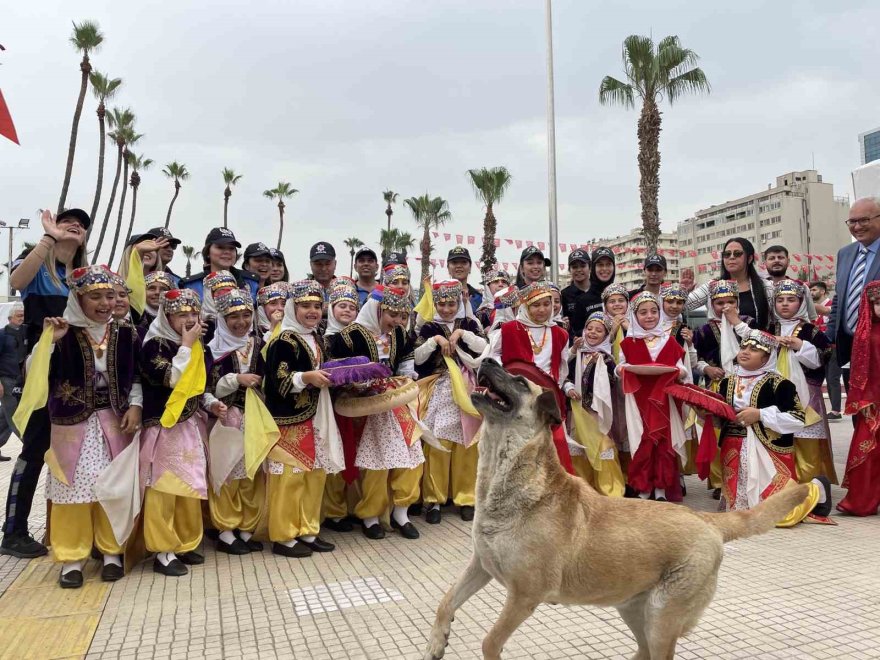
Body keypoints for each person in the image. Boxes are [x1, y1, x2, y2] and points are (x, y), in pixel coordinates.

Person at [41, 266, 142, 588]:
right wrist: (48, 344)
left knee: (114, 486)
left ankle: (112, 552)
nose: (104, 303)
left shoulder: (127, 332)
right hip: (72, 424)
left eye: (110, 296)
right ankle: (71, 557)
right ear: (78, 297)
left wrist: (137, 406)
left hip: (116, 421)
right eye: (95, 296)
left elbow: (137, 376)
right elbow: (34, 376)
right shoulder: (61, 331)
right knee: (72, 489)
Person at [2, 208, 88, 559]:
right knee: (35, 447)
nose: (76, 226)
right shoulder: (41, 267)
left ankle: (72, 527)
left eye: (82, 225)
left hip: (77, 368)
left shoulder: (79, 275)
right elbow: (17, 283)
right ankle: (14, 530)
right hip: (44, 367)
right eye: (70, 220)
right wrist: (50, 236)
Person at [327, 286, 423, 540]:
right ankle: (370, 516)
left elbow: (405, 361)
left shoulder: (400, 334)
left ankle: (401, 512)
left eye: (403, 316)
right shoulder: (349, 337)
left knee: (412, 455)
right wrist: (357, 383)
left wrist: (406, 374)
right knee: (374, 464)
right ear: (378, 310)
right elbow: (336, 372)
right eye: (392, 314)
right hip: (364, 408)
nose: (398, 321)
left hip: (395, 402)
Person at [716, 330, 832, 525]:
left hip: (769, 451)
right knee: (738, 513)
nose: (746, 351)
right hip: (733, 450)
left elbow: (797, 419)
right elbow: (723, 416)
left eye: (754, 349)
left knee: (781, 516)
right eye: (743, 347)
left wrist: (760, 414)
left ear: (767, 357)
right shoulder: (726, 382)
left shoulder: (780, 384)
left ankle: (816, 490)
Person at [139, 288, 217, 576]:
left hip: (191, 425)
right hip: (165, 426)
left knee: (190, 484)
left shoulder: (200, 346)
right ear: (166, 315)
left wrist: (212, 403)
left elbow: (202, 386)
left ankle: (185, 542)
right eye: (180, 314)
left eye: (192, 313)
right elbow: (173, 379)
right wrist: (185, 345)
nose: (188, 318)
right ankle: (163, 549)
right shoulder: (154, 346)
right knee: (164, 487)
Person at [414, 280, 486, 523]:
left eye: (451, 303)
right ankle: (434, 499)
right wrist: (435, 339)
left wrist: (460, 334)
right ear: (435, 303)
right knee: (439, 442)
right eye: (441, 304)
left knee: (468, 443)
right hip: (440, 390)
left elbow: (484, 347)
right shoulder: (428, 326)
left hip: (466, 389)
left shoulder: (468, 323)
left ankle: (466, 498)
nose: (446, 309)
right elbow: (418, 357)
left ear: (459, 302)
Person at [486, 281, 575, 473]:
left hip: (547, 396)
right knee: (517, 445)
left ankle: (554, 489)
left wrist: (556, 388)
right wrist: (507, 382)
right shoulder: (508, 330)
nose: (542, 310)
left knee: (554, 441)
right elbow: (493, 359)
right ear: (525, 306)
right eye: (535, 305)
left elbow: (561, 367)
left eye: (546, 304)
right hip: (516, 396)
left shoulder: (560, 333)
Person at [205, 287, 265, 555]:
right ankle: (226, 530)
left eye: (245, 315)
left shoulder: (260, 345)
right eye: (233, 316)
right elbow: (203, 387)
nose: (241, 322)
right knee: (226, 473)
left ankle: (247, 527)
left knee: (252, 473)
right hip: (226, 419)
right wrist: (234, 381)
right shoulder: (212, 349)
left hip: (255, 419)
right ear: (222, 317)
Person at [616, 292, 689, 502]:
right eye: (643, 312)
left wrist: (678, 372)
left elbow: (682, 369)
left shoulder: (670, 341)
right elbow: (620, 366)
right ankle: (643, 487)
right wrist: (622, 369)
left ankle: (661, 489)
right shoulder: (629, 342)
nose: (649, 316)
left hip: (664, 399)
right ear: (635, 316)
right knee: (643, 440)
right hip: (639, 396)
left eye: (654, 311)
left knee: (664, 443)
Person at [769, 279, 836, 485]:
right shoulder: (769, 328)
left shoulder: (811, 330)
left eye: (791, 299)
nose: (785, 304)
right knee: (777, 441)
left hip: (806, 396)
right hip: (774, 395)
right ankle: (782, 487)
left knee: (808, 443)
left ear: (801, 302)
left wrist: (800, 346)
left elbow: (822, 358)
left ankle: (810, 488)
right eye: (780, 300)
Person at [321, 279, 362, 532]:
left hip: (355, 404)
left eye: (351, 307)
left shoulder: (359, 336)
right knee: (334, 452)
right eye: (341, 306)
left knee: (353, 452)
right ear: (331, 308)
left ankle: (352, 507)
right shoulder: (322, 337)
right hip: (331, 404)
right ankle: (332, 511)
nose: (347, 311)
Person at [569, 311, 625, 496]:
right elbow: (565, 376)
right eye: (589, 328)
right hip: (577, 413)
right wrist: (569, 387)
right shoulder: (577, 355)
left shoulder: (607, 358)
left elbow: (611, 382)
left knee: (603, 448)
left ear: (606, 335)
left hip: (597, 414)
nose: (592, 333)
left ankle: (611, 490)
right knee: (579, 450)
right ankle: (582, 489)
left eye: (599, 330)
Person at [837, 281, 880, 516]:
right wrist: (862, 399)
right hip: (873, 403)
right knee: (868, 453)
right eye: (878, 303)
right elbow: (860, 373)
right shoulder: (865, 335)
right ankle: (862, 501)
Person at [826, 197, 880, 375]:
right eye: (852, 221)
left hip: (877, 346)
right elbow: (839, 299)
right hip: (848, 348)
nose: (857, 227)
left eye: (864, 220)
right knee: (854, 402)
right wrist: (829, 337)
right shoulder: (845, 253)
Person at [686, 238, 774, 330]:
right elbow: (683, 306)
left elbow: (781, 318)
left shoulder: (766, 286)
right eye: (727, 254)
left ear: (750, 258)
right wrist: (684, 292)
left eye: (737, 253)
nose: (731, 257)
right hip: (721, 343)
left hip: (756, 342)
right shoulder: (712, 285)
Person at [179, 228, 259, 300]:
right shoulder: (190, 285)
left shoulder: (251, 282)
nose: (227, 252)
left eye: (231, 248)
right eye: (220, 247)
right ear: (208, 252)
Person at [810, 281, 842, 420]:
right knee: (818, 378)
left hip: (834, 347)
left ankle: (836, 411)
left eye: (814, 290)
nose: (811, 292)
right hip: (818, 349)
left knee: (832, 378)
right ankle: (816, 408)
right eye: (810, 290)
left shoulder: (832, 306)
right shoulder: (812, 309)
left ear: (823, 291)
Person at [0, 304, 25, 460]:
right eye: (18, 316)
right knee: (15, 416)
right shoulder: (2, 335)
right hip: (7, 381)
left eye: (23, 315)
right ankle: (31, 445)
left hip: (22, 382)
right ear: (10, 318)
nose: (22, 319)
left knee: (4, 417)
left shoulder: (26, 334)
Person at [572, 246, 617, 334]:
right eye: (600, 265)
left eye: (608, 264)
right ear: (593, 268)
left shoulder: (622, 297)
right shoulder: (582, 300)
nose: (604, 269)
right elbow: (577, 333)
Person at [561, 249, 592, 338]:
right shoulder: (563, 295)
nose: (578, 270)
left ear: (589, 267)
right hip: (574, 345)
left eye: (582, 266)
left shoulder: (598, 291)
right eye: (574, 267)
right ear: (569, 270)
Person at [138, 271, 175, 339]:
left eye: (163, 289)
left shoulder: (175, 318)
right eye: (152, 288)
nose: (157, 292)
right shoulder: (135, 316)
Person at [446, 246, 482, 312]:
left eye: (464, 262)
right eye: (454, 262)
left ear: (470, 267)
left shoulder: (479, 298)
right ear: (448, 268)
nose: (459, 266)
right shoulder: (437, 294)